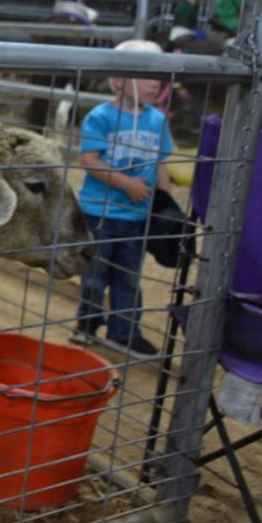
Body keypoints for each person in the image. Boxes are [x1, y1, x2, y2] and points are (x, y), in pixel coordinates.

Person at [70, 39, 174, 357]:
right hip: (100, 214)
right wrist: (127, 183)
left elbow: (159, 164)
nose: (155, 83)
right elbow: (89, 160)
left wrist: (168, 205)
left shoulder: (157, 120)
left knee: (128, 278)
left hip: (137, 217)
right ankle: (87, 322)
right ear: (118, 80)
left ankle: (124, 333)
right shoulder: (100, 117)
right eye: (146, 75)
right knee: (95, 274)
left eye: (158, 76)